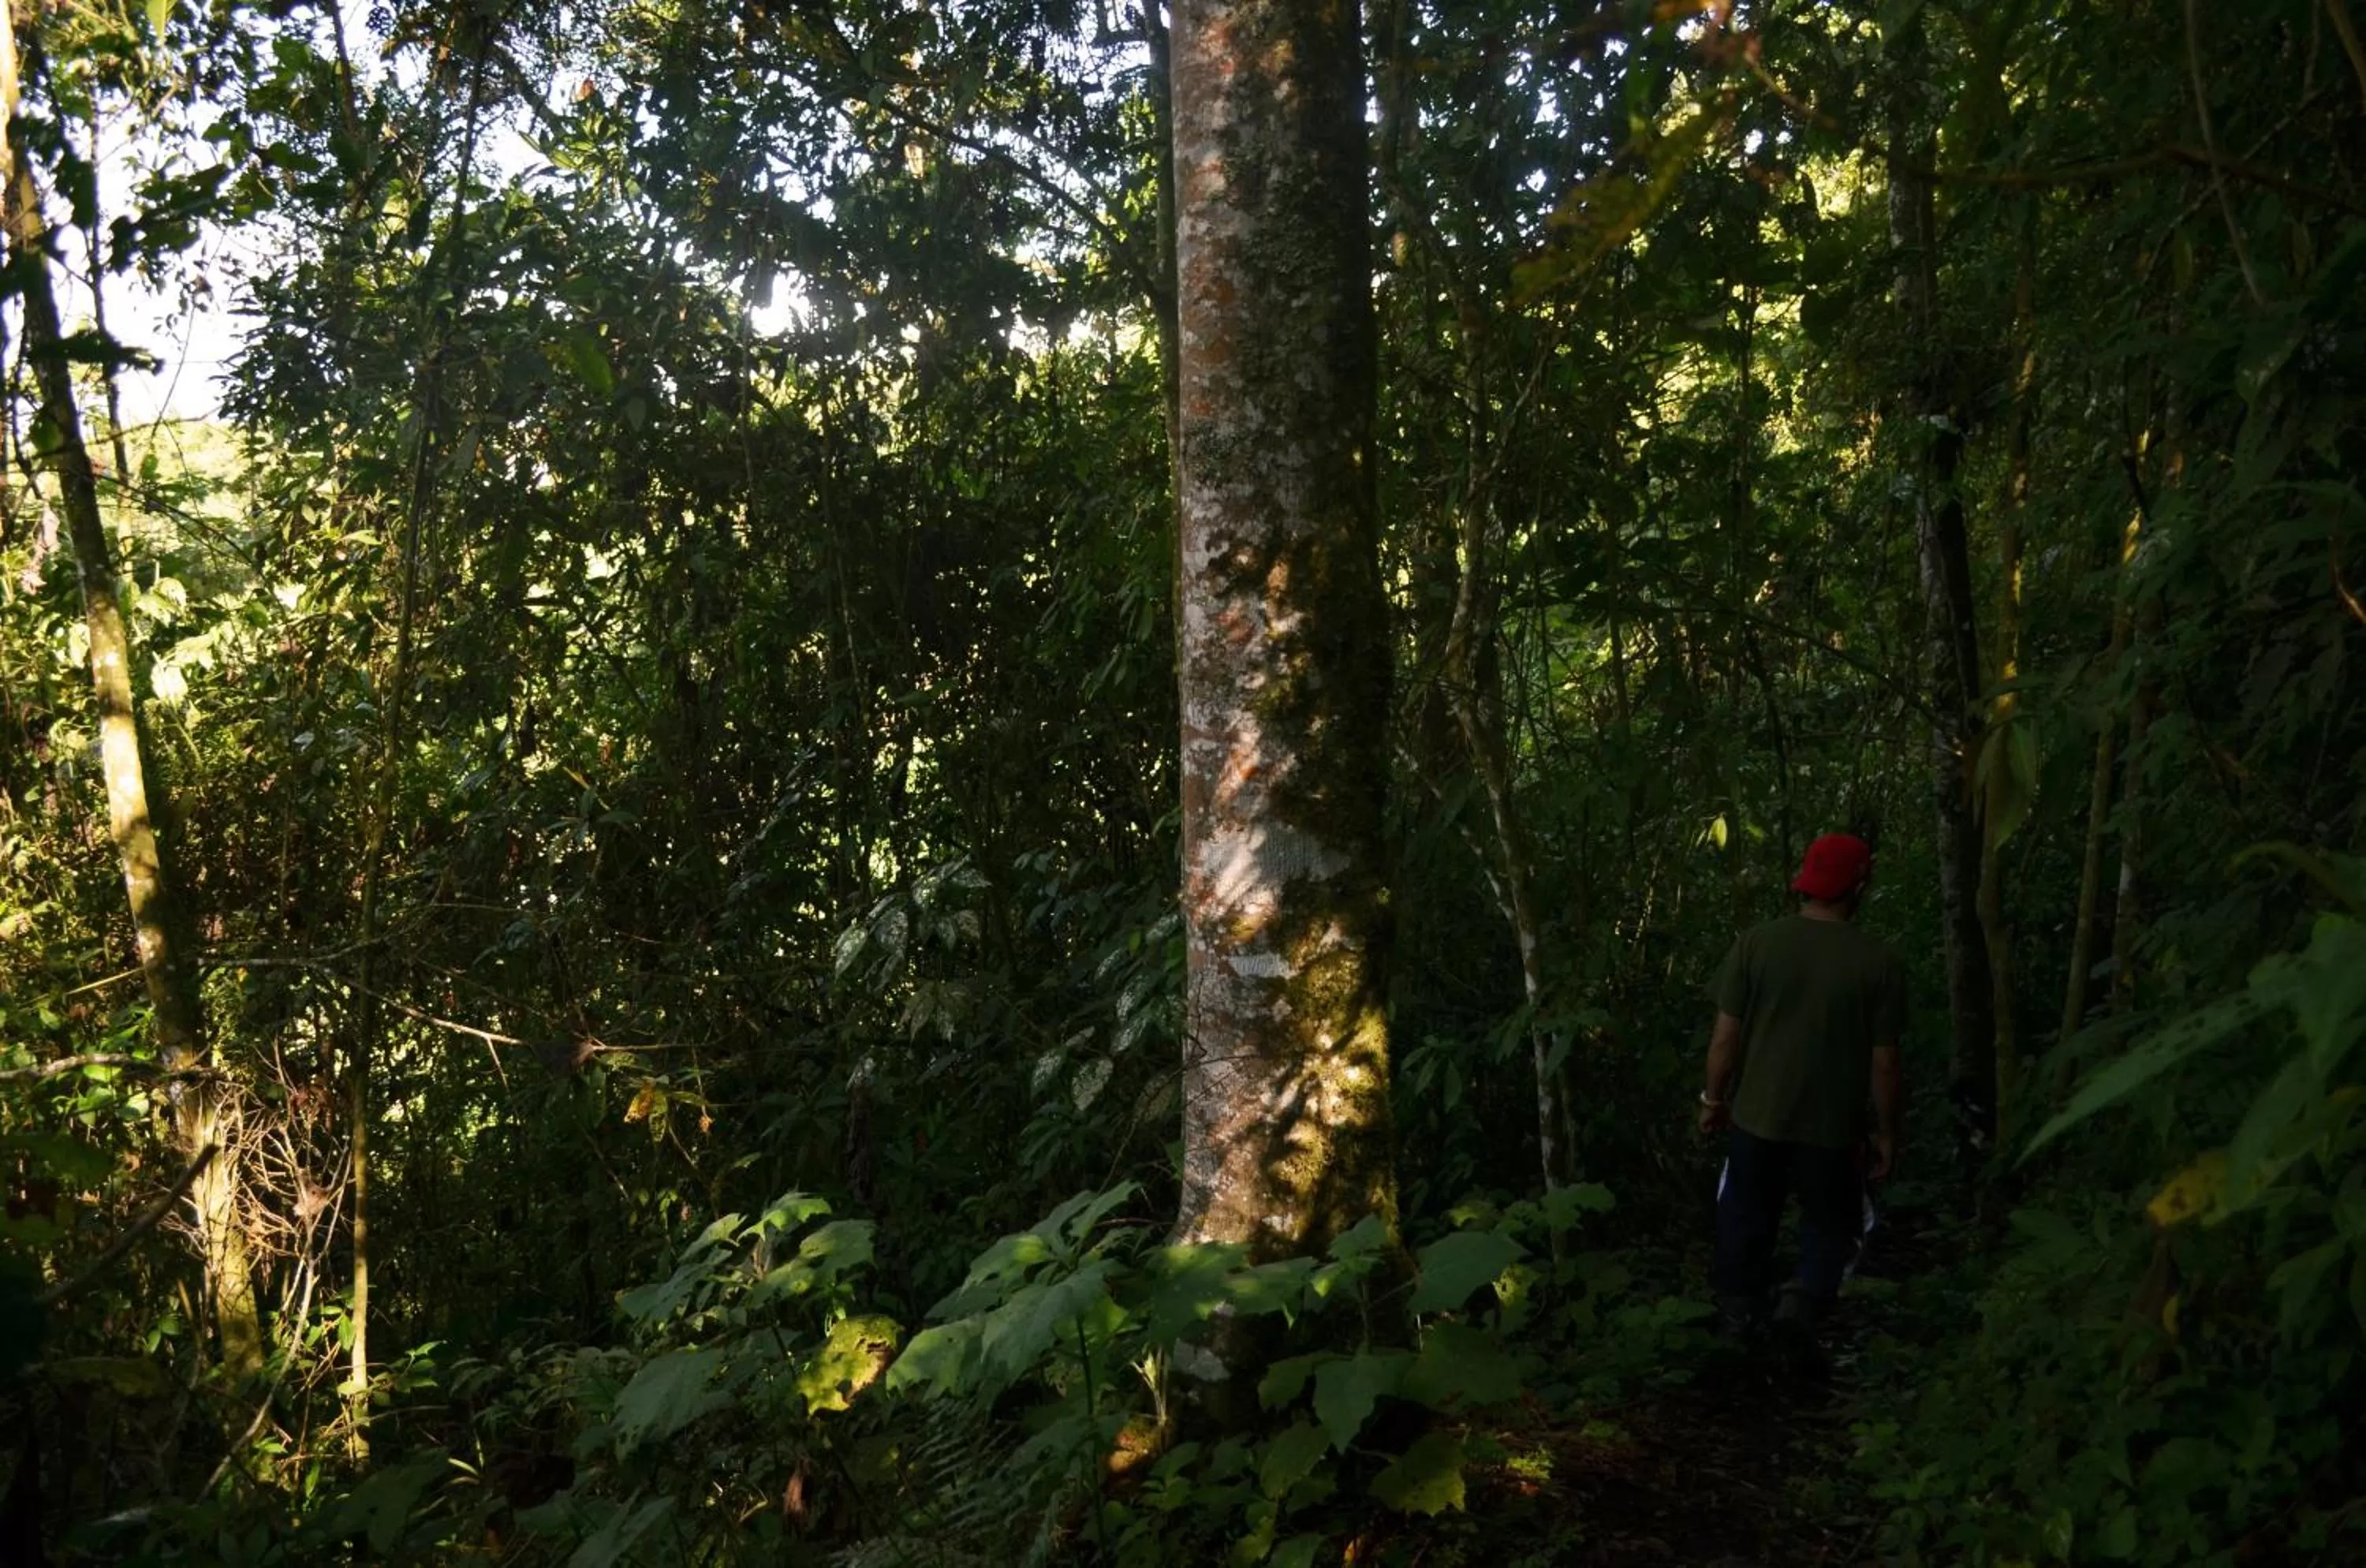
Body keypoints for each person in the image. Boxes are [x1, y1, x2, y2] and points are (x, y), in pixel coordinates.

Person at [1696, 831, 1905, 1361]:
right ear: (1860, 885)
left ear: (1807, 881)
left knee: (1745, 1214)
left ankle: (1738, 1319)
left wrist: (1712, 1100)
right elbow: (1884, 1062)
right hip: (1832, 1129)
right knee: (1830, 1222)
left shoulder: (1757, 944)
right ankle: (1802, 1306)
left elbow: (1725, 1038)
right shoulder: (1877, 962)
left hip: (1756, 1118)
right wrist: (1886, 1131)